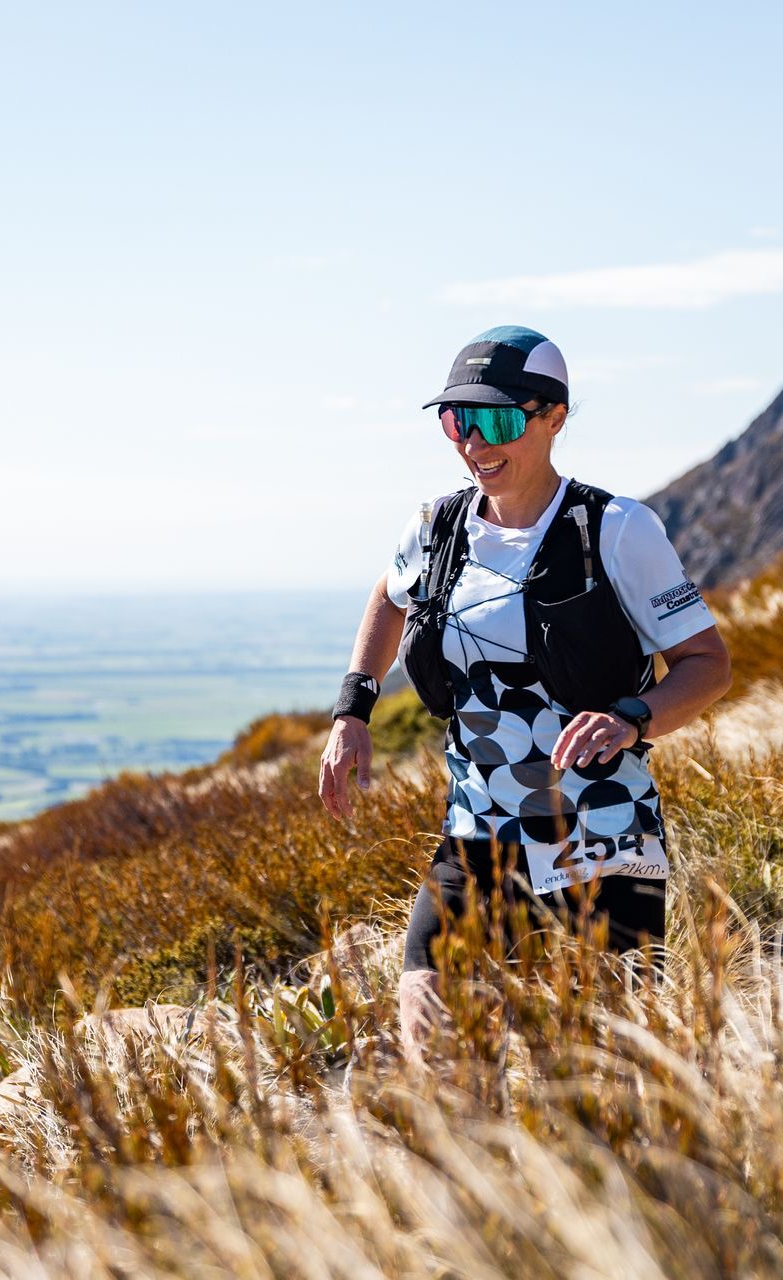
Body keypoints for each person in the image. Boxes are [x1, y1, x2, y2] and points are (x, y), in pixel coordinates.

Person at [316, 325, 731, 1070]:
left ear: (554, 418)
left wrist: (632, 717)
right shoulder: (437, 526)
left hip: (601, 841)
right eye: (456, 420)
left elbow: (708, 663)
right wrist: (354, 710)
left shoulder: (616, 528)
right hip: (475, 837)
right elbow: (388, 593)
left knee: (607, 1073)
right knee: (433, 1041)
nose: (474, 440)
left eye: (499, 419)